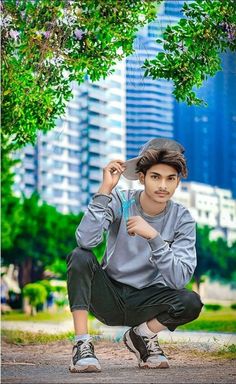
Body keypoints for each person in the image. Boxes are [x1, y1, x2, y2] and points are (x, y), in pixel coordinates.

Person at [66, 138, 204, 373]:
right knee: (80, 256)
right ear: (142, 178)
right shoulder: (121, 201)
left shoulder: (182, 219)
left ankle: (142, 336)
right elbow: (86, 241)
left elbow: (179, 279)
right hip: (109, 295)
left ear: (178, 181)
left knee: (191, 302)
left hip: (149, 301)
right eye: (155, 177)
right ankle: (82, 345)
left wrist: (155, 238)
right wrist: (105, 190)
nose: (163, 185)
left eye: (171, 178)